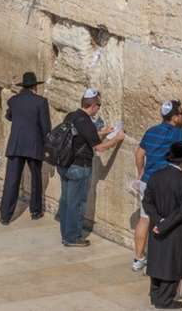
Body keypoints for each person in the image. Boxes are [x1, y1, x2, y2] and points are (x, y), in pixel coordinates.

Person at [133, 98, 182, 272]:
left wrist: (141, 172)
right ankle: (165, 260)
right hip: (165, 184)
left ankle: (138, 258)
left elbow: (139, 154)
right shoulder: (175, 134)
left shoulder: (151, 131)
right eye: (181, 115)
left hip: (147, 181)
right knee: (168, 221)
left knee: (145, 219)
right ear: (176, 117)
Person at [58, 88, 125, 247]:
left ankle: (66, 234)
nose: (99, 109)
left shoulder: (72, 116)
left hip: (65, 164)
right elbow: (99, 148)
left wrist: (103, 132)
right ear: (93, 105)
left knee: (66, 201)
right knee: (77, 203)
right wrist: (116, 139)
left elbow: (83, 136)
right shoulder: (87, 122)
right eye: (99, 105)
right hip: (79, 167)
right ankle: (72, 238)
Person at [142, 141, 182, 309]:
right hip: (174, 230)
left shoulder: (155, 176)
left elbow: (147, 202)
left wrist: (158, 221)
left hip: (156, 227)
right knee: (172, 265)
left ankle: (155, 296)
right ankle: (164, 301)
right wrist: (164, 225)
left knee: (157, 262)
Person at [0, 72, 52, 225]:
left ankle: (5, 216)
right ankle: (35, 211)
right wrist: (47, 147)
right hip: (34, 145)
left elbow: (8, 116)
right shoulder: (41, 102)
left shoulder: (13, 100)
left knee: (11, 180)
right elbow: (46, 127)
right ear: (35, 86)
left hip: (16, 145)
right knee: (36, 179)